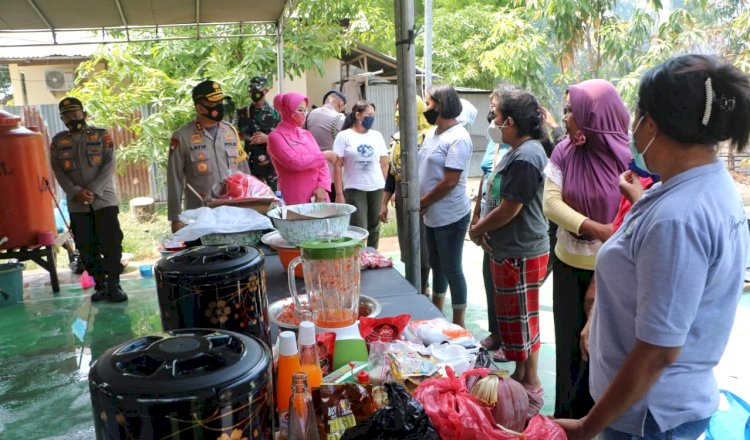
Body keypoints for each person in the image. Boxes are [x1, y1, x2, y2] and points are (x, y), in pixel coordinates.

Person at [557, 54, 750, 440]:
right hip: (653, 407)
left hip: (648, 418)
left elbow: (658, 351)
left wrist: (586, 426)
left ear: (652, 124)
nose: (632, 126)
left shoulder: (678, 218)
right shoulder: (699, 186)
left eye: (637, 114)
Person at [543, 79, 630, 419]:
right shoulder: (564, 150)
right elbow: (551, 204)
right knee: (568, 347)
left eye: (571, 111)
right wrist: (599, 229)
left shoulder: (629, 159)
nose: (565, 118)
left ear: (593, 116)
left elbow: (635, 213)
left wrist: (608, 239)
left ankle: (597, 420)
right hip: (568, 265)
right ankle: (567, 419)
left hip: (612, 272)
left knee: (601, 349)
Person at [468, 85, 549, 406]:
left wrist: (476, 229)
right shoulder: (519, 151)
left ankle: (529, 383)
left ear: (511, 122)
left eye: (497, 115)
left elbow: (509, 208)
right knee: (518, 318)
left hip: (520, 252)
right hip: (512, 249)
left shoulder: (527, 155)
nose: (493, 120)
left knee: (521, 319)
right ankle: (523, 375)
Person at [49, 97, 127, 302]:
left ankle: (114, 285)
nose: (71, 118)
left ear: (84, 114)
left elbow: (109, 164)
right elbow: (57, 170)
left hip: (104, 199)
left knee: (111, 242)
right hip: (77, 204)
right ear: (62, 118)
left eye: (75, 113)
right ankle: (100, 285)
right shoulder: (58, 142)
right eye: (66, 115)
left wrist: (92, 189)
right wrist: (76, 191)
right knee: (86, 246)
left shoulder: (102, 135)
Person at [419, 84, 472, 328]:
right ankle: (437, 316)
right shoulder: (434, 133)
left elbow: (450, 181)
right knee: (436, 265)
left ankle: (459, 324)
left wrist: (422, 202)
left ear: (440, 105)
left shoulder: (458, 137)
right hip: (431, 213)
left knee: (452, 268)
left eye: (428, 103)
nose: (426, 108)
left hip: (450, 214)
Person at [167, 80, 251, 233]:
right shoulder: (182, 137)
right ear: (200, 107)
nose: (219, 106)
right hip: (199, 216)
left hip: (233, 214)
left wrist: (251, 204)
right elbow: (175, 180)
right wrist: (175, 217)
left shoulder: (230, 132)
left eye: (220, 101)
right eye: (214, 102)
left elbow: (244, 171)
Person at [379, 95, 432, 296]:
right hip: (402, 196)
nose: (399, 113)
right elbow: (392, 175)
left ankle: (424, 286)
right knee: (407, 242)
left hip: (423, 196)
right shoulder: (396, 138)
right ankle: (412, 284)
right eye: (398, 108)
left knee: (423, 244)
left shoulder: (429, 136)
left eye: (404, 108)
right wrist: (384, 202)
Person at [333, 100, 388, 248]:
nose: (372, 118)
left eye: (373, 115)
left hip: (376, 187)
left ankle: (372, 255)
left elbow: (384, 163)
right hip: (354, 188)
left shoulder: (377, 136)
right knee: (359, 227)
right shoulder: (344, 136)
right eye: (369, 115)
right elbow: (337, 166)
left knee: (374, 226)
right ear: (358, 115)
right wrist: (339, 193)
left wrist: (385, 190)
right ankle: (359, 259)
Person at [267, 92, 336, 205]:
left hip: (319, 197)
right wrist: (325, 155)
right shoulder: (276, 137)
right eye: (300, 110)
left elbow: (322, 165)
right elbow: (294, 162)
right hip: (295, 196)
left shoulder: (306, 134)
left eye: (304, 110)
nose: (303, 114)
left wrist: (322, 186)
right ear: (287, 110)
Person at [233, 76, 281, 190]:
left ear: (266, 90)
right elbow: (232, 135)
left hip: (272, 165)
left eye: (258, 90)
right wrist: (247, 137)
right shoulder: (241, 113)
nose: (254, 93)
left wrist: (268, 138)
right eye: (252, 90)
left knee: (275, 199)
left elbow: (285, 136)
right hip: (250, 164)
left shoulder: (276, 112)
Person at [306, 90, 347, 197]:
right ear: (341, 104)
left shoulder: (308, 115)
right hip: (334, 174)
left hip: (312, 170)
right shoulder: (341, 119)